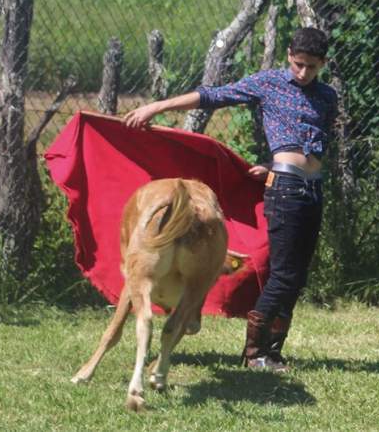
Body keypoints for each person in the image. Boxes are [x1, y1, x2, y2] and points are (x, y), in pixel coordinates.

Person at [124, 27, 338, 372]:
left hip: (313, 188)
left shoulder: (327, 96)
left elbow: (316, 142)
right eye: (298, 64)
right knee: (282, 274)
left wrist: (270, 163)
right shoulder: (269, 83)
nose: (303, 73)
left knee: (297, 276)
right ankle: (255, 353)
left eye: (311, 67)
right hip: (285, 189)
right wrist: (157, 107)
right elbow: (214, 96)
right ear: (288, 55)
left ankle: (274, 351)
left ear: (322, 63)